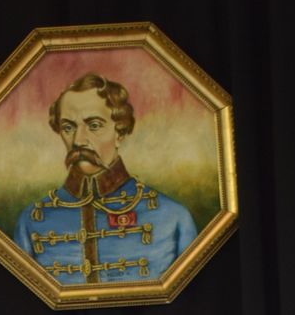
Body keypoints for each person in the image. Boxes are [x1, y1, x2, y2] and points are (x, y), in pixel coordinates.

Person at [13, 72, 197, 288]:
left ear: (120, 132)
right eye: (68, 127)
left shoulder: (174, 218)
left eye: (94, 125)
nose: (78, 141)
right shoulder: (32, 221)